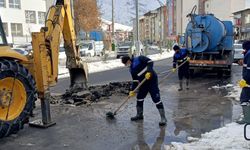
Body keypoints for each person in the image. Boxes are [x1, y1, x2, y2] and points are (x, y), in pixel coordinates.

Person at [121, 55, 167, 126]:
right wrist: (132, 90)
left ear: (128, 60)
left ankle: (163, 118)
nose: (126, 65)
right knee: (139, 98)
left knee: (156, 99)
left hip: (152, 81)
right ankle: (139, 115)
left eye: (126, 63)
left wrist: (149, 71)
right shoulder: (131, 69)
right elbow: (135, 81)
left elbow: (150, 62)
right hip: (143, 83)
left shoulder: (139, 59)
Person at [237, 40, 250, 124]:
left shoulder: (249, 54)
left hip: (248, 82)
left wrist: (245, 80)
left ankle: (247, 119)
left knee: (244, 99)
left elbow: (249, 69)